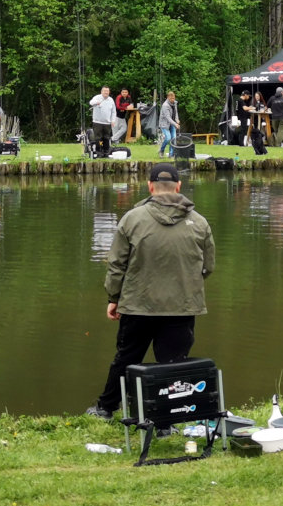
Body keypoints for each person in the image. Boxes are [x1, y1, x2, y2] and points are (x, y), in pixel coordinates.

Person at [86, 162, 215, 421]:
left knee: (126, 359)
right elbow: (208, 267)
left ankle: (105, 409)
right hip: (182, 306)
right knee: (174, 365)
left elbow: (116, 265)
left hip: (137, 305)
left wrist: (114, 298)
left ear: (149, 186)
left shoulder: (132, 219)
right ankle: (168, 418)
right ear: (178, 186)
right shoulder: (199, 223)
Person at [89, 86, 116, 157]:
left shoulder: (111, 100)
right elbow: (91, 103)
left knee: (106, 138)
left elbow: (113, 111)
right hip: (97, 122)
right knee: (99, 138)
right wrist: (97, 102)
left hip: (107, 123)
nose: (106, 92)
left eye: (107, 91)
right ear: (101, 91)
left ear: (109, 92)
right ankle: (99, 152)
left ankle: (106, 152)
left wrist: (113, 120)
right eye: (104, 91)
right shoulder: (97, 97)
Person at [158, 91, 180, 158]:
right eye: (171, 99)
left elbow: (175, 113)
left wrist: (177, 119)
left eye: (173, 98)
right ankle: (161, 150)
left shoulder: (175, 103)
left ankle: (171, 154)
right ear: (168, 98)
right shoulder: (165, 105)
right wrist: (175, 124)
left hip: (172, 123)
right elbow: (168, 117)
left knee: (173, 139)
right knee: (168, 138)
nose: (173, 100)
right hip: (164, 124)